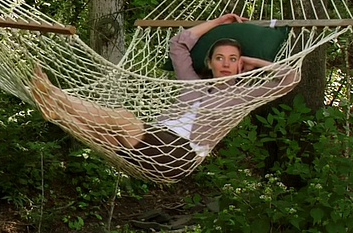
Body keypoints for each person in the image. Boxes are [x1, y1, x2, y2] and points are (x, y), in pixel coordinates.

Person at [30, 14, 299, 180]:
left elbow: (290, 78)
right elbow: (179, 45)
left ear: (240, 64)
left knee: (124, 119)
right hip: (153, 144)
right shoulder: (191, 81)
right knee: (106, 136)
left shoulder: (243, 95)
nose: (226, 64)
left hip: (180, 155)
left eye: (233, 59)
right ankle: (59, 113)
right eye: (220, 58)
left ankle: (54, 94)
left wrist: (253, 60)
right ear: (210, 63)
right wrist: (218, 23)